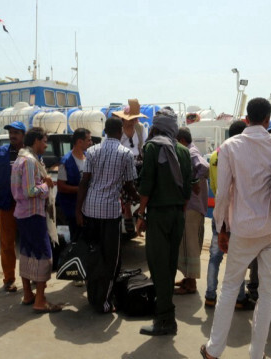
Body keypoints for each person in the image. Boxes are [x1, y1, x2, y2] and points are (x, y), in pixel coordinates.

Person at [201, 98, 271, 359]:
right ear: (268, 119)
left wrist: (222, 227)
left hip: (243, 229)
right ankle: (256, 354)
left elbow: (222, 194)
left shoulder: (230, 147)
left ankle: (214, 350)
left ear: (247, 118)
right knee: (267, 294)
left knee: (230, 288)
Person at [136, 107, 192, 336]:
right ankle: (165, 313)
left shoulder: (151, 147)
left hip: (158, 214)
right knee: (169, 265)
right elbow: (188, 190)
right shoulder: (183, 150)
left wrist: (141, 214)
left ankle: (165, 319)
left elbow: (146, 185)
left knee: (158, 266)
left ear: (157, 126)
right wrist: (178, 211)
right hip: (178, 214)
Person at [76, 118, 139, 314]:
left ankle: (93, 297)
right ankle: (104, 302)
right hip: (110, 214)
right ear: (120, 132)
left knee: (93, 255)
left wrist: (78, 210)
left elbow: (84, 183)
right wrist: (141, 199)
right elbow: (129, 185)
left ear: (104, 131)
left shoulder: (92, 151)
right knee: (111, 260)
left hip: (90, 210)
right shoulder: (125, 154)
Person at [205, 120, 255, 310]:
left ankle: (210, 295)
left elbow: (213, 184)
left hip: (219, 210)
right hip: (235, 212)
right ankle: (239, 297)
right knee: (237, 257)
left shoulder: (214, 155)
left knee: (214, 256)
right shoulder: (237, 155)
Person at [11, 127, 62, 313]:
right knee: (43, 257)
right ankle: (39, 300)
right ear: (36, 141)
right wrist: (47, 185)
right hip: (33, 214)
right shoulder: (30, 161)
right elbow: (30, 191)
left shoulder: (21, 159)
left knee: (27, 254)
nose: (46, 145)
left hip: (23, 214)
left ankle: (28, 294)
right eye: (44, 141)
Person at [0, 121, 25, 293]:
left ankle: (31, 276)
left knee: (28, 243)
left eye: (16, 132)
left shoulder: (30, 153)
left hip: (26, 205)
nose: (12, 135)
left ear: (23, 135)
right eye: (10, 132)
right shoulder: (0, 153)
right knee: (7, 244)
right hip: (5, 204)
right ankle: (9, 278)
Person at [174, 127, 208, 295]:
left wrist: (193, 181)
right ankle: (188, 279)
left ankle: (191, 284)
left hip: (192, 207)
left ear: (181, 140)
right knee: (187, 244)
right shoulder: (191, 151)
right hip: (194, 206)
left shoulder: (190, 152)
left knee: (190, 244)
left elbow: (204, 167)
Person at [112, 99, 148, 239]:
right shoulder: (118, 131)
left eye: (135, 119)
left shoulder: (140, 128)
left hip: (138, 161)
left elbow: (144, 146)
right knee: (126, 183)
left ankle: (138, 210)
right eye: (131, 119)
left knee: (145, 184)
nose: (134, 121)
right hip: (122, 161)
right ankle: (127, 210)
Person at [56, 128, 92, 242]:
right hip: (70, 207)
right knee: (75, 237)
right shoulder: (65, 161)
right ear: (80, 142)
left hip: (85, 207)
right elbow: (61, 186)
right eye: (88, 140)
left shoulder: (88, 157)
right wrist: (81, 189)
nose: (90, 143)